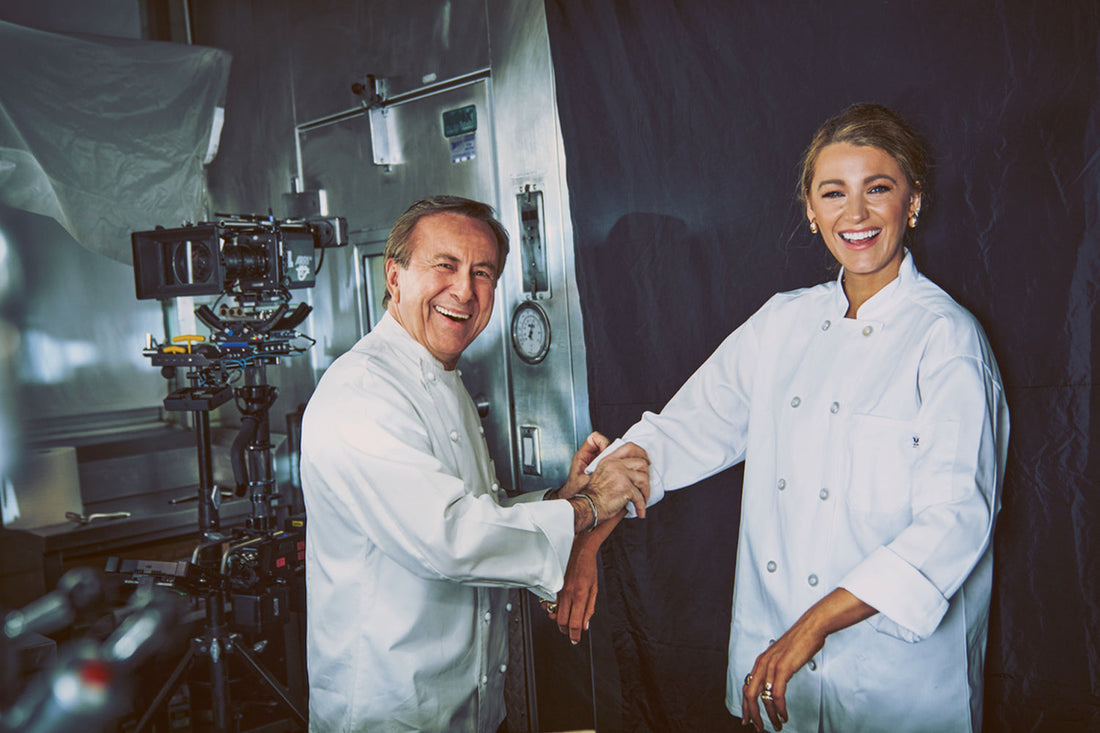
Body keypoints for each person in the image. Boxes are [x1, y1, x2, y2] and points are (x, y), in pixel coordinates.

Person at [563, 104, 1010, 732]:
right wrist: (588, 522)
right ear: (810, 208)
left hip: (892, 681)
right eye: (834, 193)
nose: (854, 215)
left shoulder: (946, 339)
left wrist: (814, 625)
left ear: (913, 201)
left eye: (877, 189)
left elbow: (954, 523)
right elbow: (684, 429)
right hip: (782, 673)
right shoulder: (782, 323)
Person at [299, 195, 649, 733]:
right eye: (445, 265)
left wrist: (560, 498)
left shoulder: (443, 376)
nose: (464, 290)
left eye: (482, 272)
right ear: (395, 277)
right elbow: (450, 537)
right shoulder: (362, 391)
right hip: (394, 714)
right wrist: (587, 506)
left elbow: (476, 510)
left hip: (472, 709)